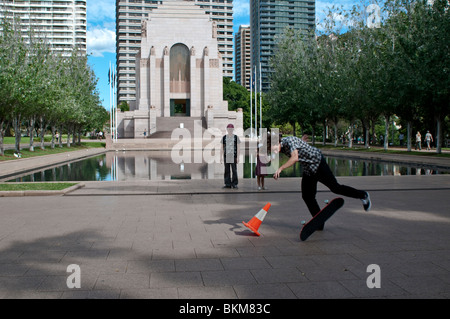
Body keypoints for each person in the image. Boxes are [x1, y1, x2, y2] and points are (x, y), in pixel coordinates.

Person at [272, 135, 371, 230]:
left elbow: (295, 158)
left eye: (274, 148)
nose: (274, 151)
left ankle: (363, 195)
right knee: (307, 196)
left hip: (318, 164)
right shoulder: (284, 144)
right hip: (309, 169)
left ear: (277, 142)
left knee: (335, 188)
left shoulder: (289, 141)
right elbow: (298, 146)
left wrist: (281, 168)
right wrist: (302, 142)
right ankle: (319, 222)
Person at [222, 124, 240, 189]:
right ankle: (228, 184)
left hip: (233, 156)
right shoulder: (224, 137)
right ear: (227, 129)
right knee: (227, 170)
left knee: (234, 170)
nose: (230, 130)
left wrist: (238, 157)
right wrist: (221, 157)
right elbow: (222, 147)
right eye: (229, 129)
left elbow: (238, 147)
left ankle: (234, 183)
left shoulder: (236, 137)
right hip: (226, 156)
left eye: (231, 129)